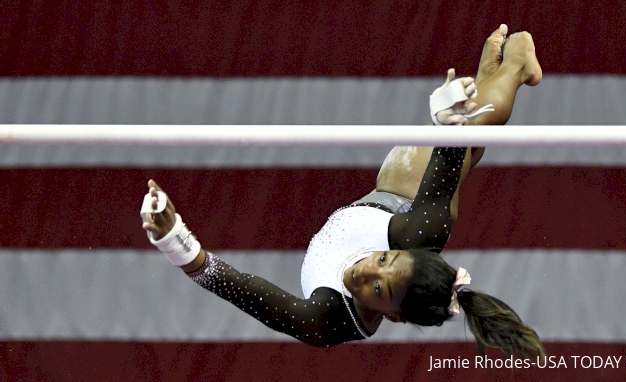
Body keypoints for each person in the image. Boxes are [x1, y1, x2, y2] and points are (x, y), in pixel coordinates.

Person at [141, 25, 546, 357]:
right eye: (385, 260)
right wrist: (450, 125)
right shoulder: (420, 235)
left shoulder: (325, 320)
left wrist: (174, 239)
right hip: (398, 199)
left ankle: (487, 81)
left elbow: (240, 287)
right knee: (463, 142)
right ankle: (515, 65)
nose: (366, 269)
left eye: (377, 289)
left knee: (463, 148)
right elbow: (449, 153)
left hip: (385, 206)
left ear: (394, 317)